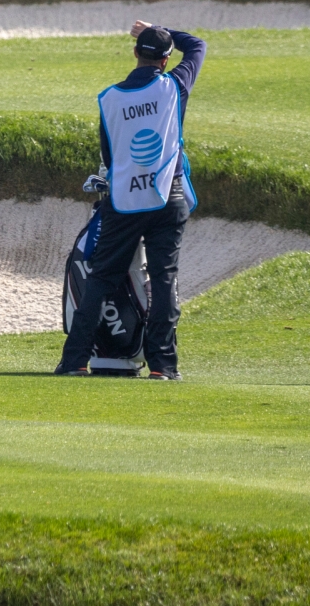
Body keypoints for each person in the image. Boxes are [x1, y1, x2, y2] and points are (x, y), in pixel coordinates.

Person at [56, 21, 206, 380]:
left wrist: (146, 33)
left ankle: (75, 361)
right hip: (167, 198)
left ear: (136, 52)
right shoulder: (174, 86)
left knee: (101, 279)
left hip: (123, 201)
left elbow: (109, 155)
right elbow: (197, 46)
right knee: (163, 279)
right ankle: (163, 367)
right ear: (167, 61)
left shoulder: (108, 98)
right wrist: (158, 27)